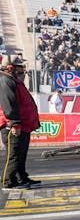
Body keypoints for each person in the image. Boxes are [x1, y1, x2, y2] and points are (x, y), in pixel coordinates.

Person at [0, 55, 41, 190]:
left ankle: (21, 178)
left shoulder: (13, 80)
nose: (22, 68)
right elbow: (8, 104)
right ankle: (8, 181)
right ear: (11, 67)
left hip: (22, 125)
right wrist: (14, 123)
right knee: (14, 155)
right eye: (19, 66)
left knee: (20, 154)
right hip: (13, 126)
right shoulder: (5, 80)